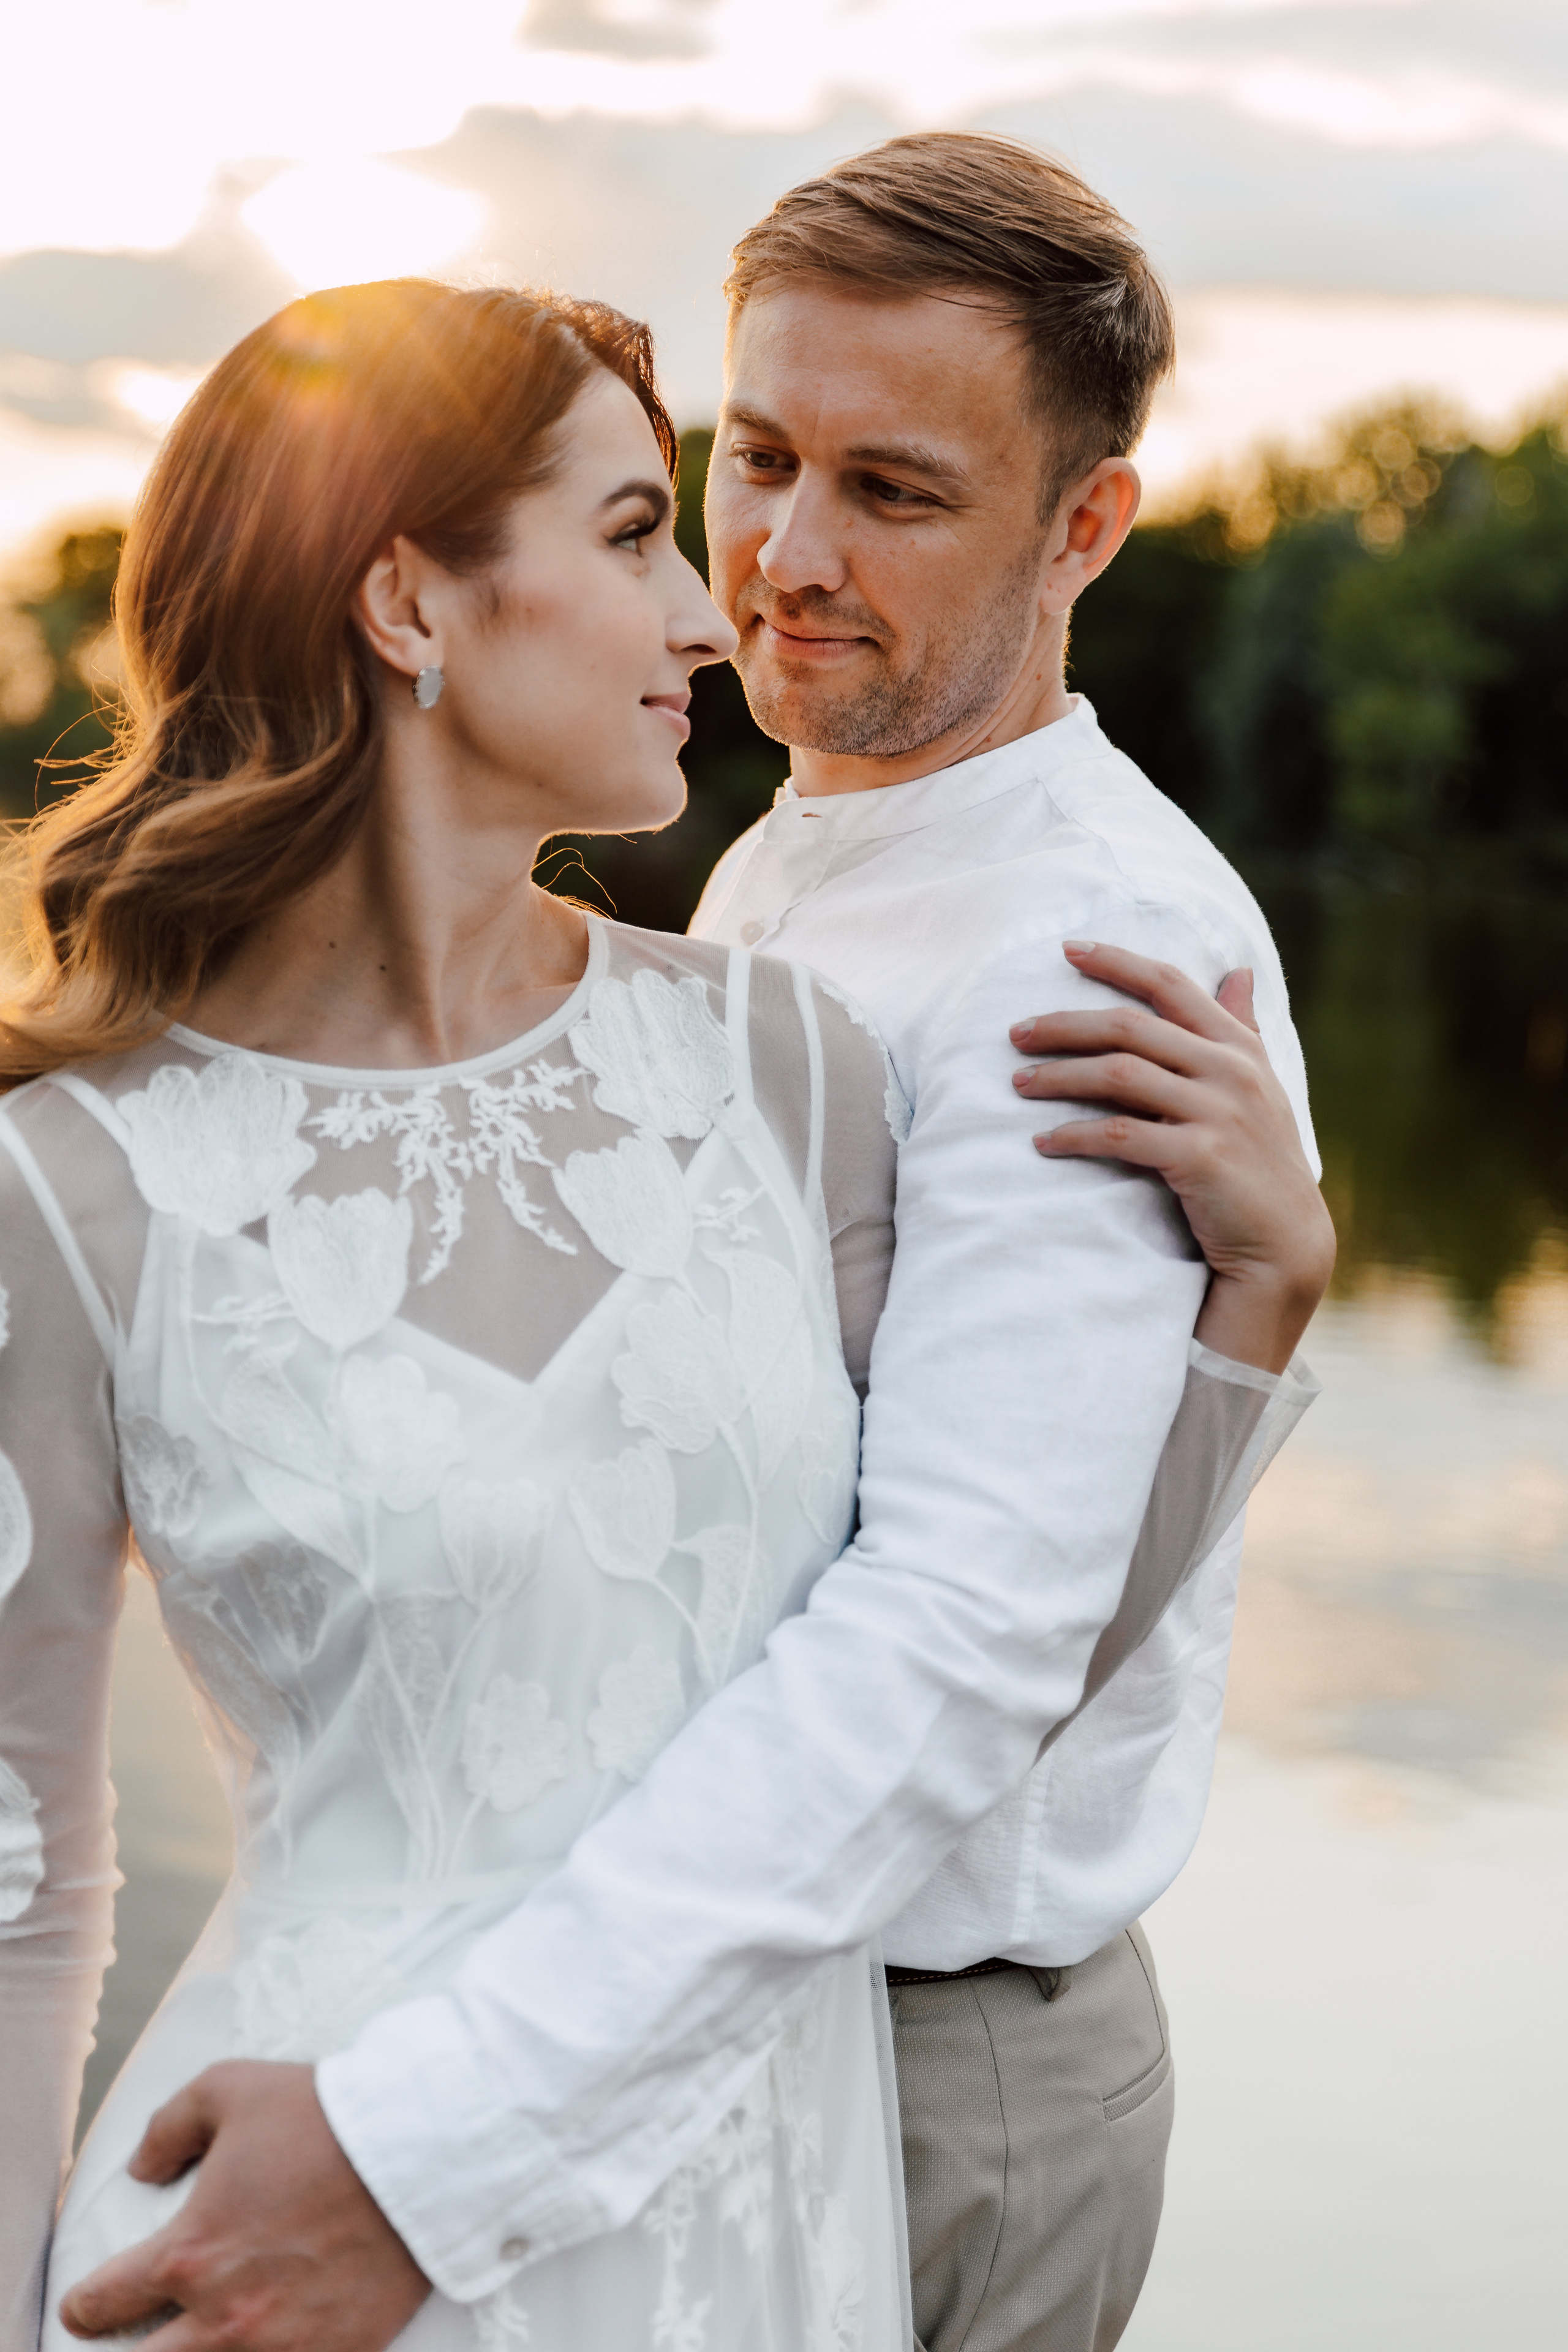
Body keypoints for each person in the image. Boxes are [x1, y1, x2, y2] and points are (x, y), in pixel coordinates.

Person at [6, 159, 1329, 2352]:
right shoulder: (763, 903)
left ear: (1082, 533)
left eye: (896, 492)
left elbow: (960, 1642)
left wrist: (430, 2149)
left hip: (903, 2062)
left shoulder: (1082, 960)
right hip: (486, 2058)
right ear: (408, 608)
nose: (773, 572)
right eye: (747, 469)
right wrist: (1248, 1344)